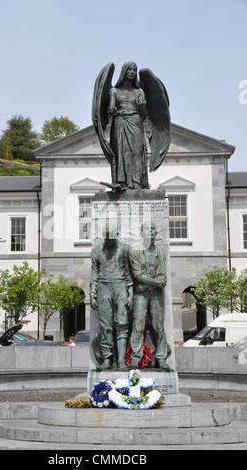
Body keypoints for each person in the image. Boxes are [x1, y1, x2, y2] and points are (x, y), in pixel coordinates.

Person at [129, 222, 172, 371]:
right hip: (140, 295)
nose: (151, 232)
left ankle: (161, 358)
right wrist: (154, 282)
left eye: (153, 229)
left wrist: (147, 282)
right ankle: (135, 357)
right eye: (147, 230)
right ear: (142, 233)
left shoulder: (160, 253)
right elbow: (136, 275)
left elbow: (163, 280)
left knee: (158, 326)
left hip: (155, 294)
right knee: (138, 325)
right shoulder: (135, 252)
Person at [90, 223, 133, 370]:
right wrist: (93, 293)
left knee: (122, 324)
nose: (109, 241)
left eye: (111, 238)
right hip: (103, 287)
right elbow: (94, 274)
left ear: (117, 235)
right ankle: (107, 358)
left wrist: (130, 294)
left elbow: (129, 274)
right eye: (106, 238)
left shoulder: (125, 250)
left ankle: (121, 360)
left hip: (121, 286)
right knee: (105, 325)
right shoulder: (96, 251)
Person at [108, 61, 151, 190]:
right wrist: (112, 109)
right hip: (120, 122)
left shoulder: (139, 92)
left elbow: (144, 115)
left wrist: (143, 106)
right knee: (121, 152)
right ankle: (122, 182)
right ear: (124, 71)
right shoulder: (114, 91)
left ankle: (137, 182)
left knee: (137, 152)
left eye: (134, 70)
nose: (132, 72)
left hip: (135, 121)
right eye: (130, 69)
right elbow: (111, 107)